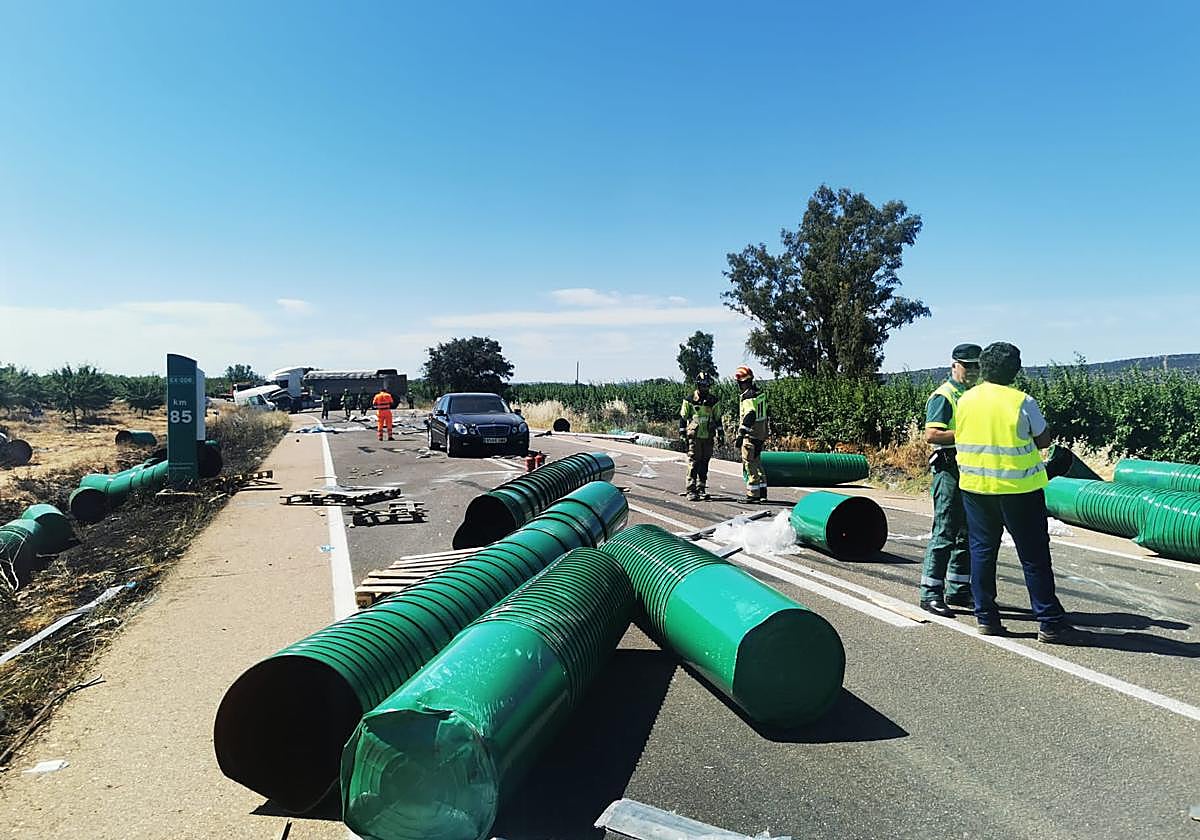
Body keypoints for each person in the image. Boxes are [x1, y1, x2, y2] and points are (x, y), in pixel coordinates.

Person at [955, 342, 1077, 643]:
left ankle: (985, 617)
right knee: (1033, 556)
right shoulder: (1022, 401)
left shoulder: (966, 400)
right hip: (1019, 490)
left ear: (983, 367)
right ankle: (1048, 621)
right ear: (1016, 370)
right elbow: (1043, 439)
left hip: (976, 488)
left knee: (982, 551)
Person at [918, 343, 980, 617]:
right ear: (955, 365)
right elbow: (931, 435)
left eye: (977, 366)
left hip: (971, 469)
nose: (973, 371)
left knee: (966, 532)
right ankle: (930, 593)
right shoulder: (944, 396)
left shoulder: (974, 394)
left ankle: (959, 589)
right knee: (945, 531)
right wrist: (968, 433)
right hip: (949, 469)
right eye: (968, 366)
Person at [678, 371, 721, 501]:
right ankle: (691, 489)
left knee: (704, 462)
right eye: (703, 386)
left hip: (708, 435)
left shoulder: (713, 401)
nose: (705, 388)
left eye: (707, 386)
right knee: (694, 462)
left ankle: (701, 487)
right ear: (698, 386)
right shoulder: (689, 400)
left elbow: (718, 418)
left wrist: (721, 434)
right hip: (695, 436)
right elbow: (683, 417)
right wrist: (682, 434)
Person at [734, 366, 768, 503]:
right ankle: (763, 493)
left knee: (749, 463)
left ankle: (753, 495)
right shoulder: (758, 394)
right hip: (761, 433)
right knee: (758, 463)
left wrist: (741, 434)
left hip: (751, 434)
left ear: (741, 383)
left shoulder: (747, 397)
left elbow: (750, 414)